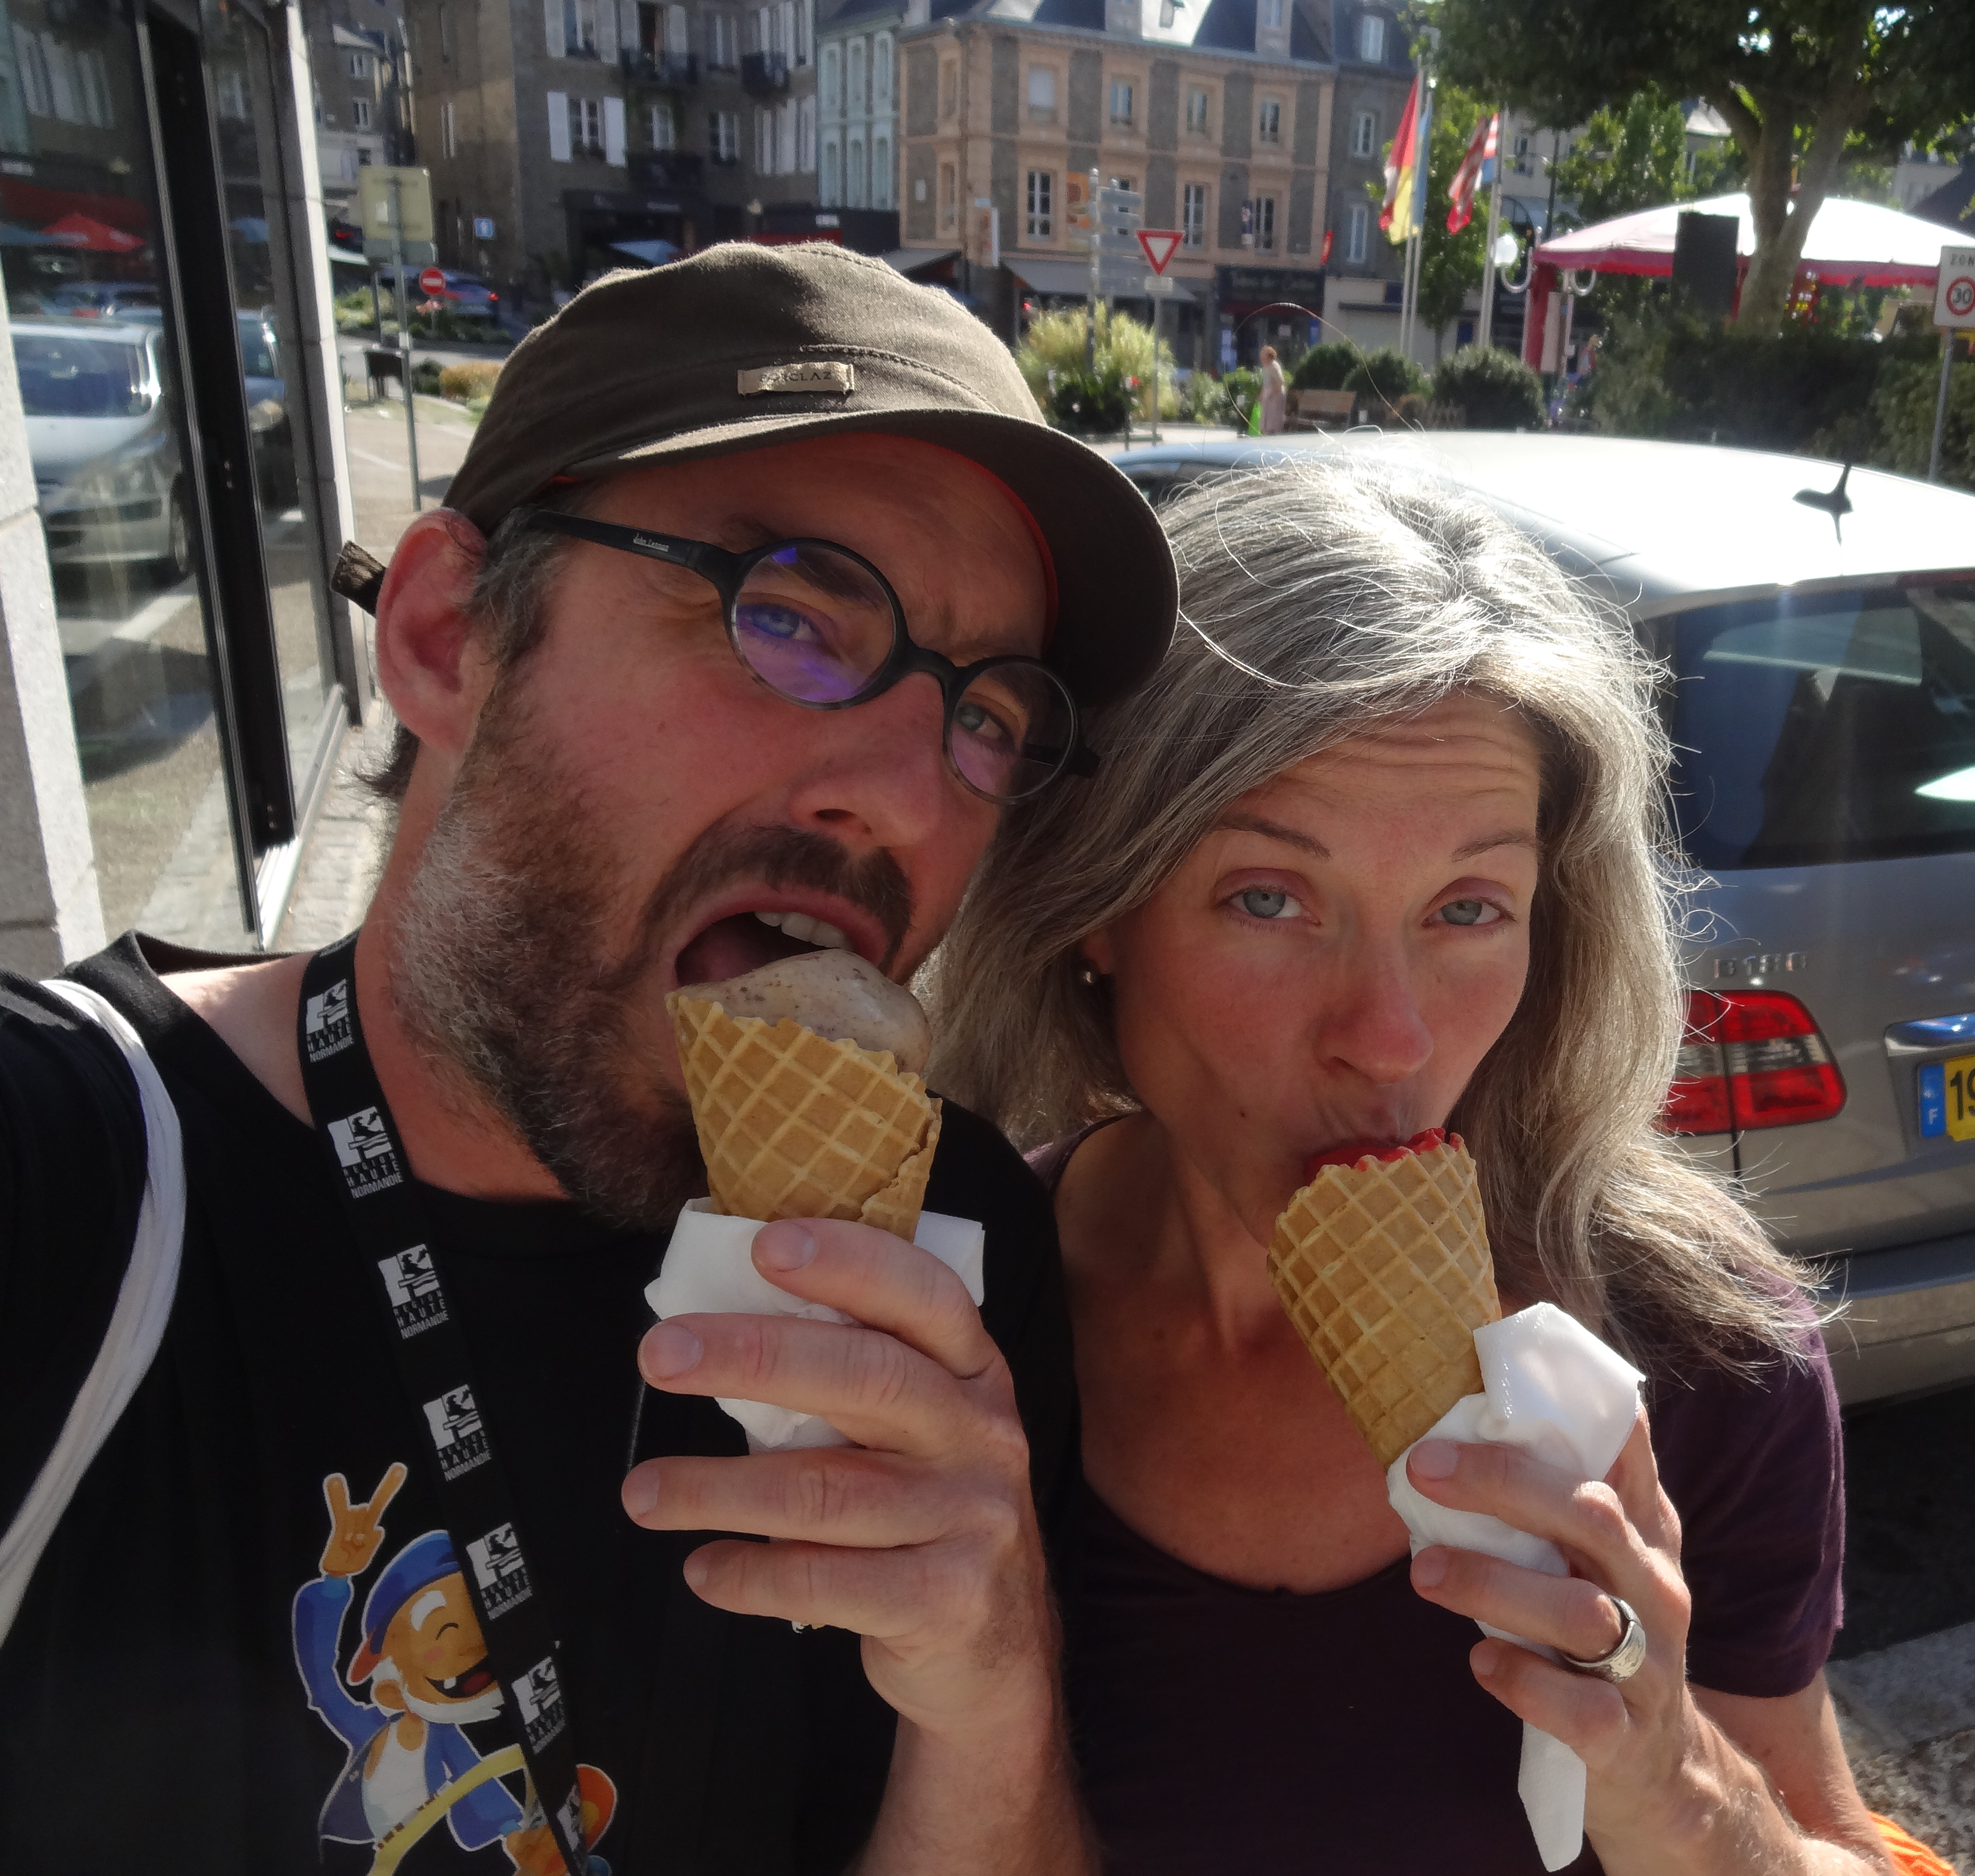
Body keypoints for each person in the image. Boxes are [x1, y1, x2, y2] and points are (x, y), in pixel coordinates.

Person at [0, 243, 1174, 1874]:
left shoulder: (948, 1253)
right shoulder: (71, 1180)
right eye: (789, 617)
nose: (912, 800)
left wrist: (992, 1710)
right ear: (440, 638)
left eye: (988, 718)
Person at [930, 461, 1900, 1874]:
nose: (1387, 1039)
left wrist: (1675, 1784)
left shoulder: (1704, 1360)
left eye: (1467, 907)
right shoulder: (948, 1318)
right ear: (1098, 908)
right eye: (1269, 898)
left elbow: (1840, 1848)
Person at [1257, 344, 1287, 437]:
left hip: (1276, 396)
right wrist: (1261, 395)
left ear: (1268, 356)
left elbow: (1279, 382)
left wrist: (1271, 394)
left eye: (1263, 355)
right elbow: (1265, 384)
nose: (1261, 357)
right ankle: (1267, 437)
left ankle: (1275, 440)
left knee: (1274, 422)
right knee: (1266, 422)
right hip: (1269, 395)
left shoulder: (1274, 366)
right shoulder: (1267, 367)